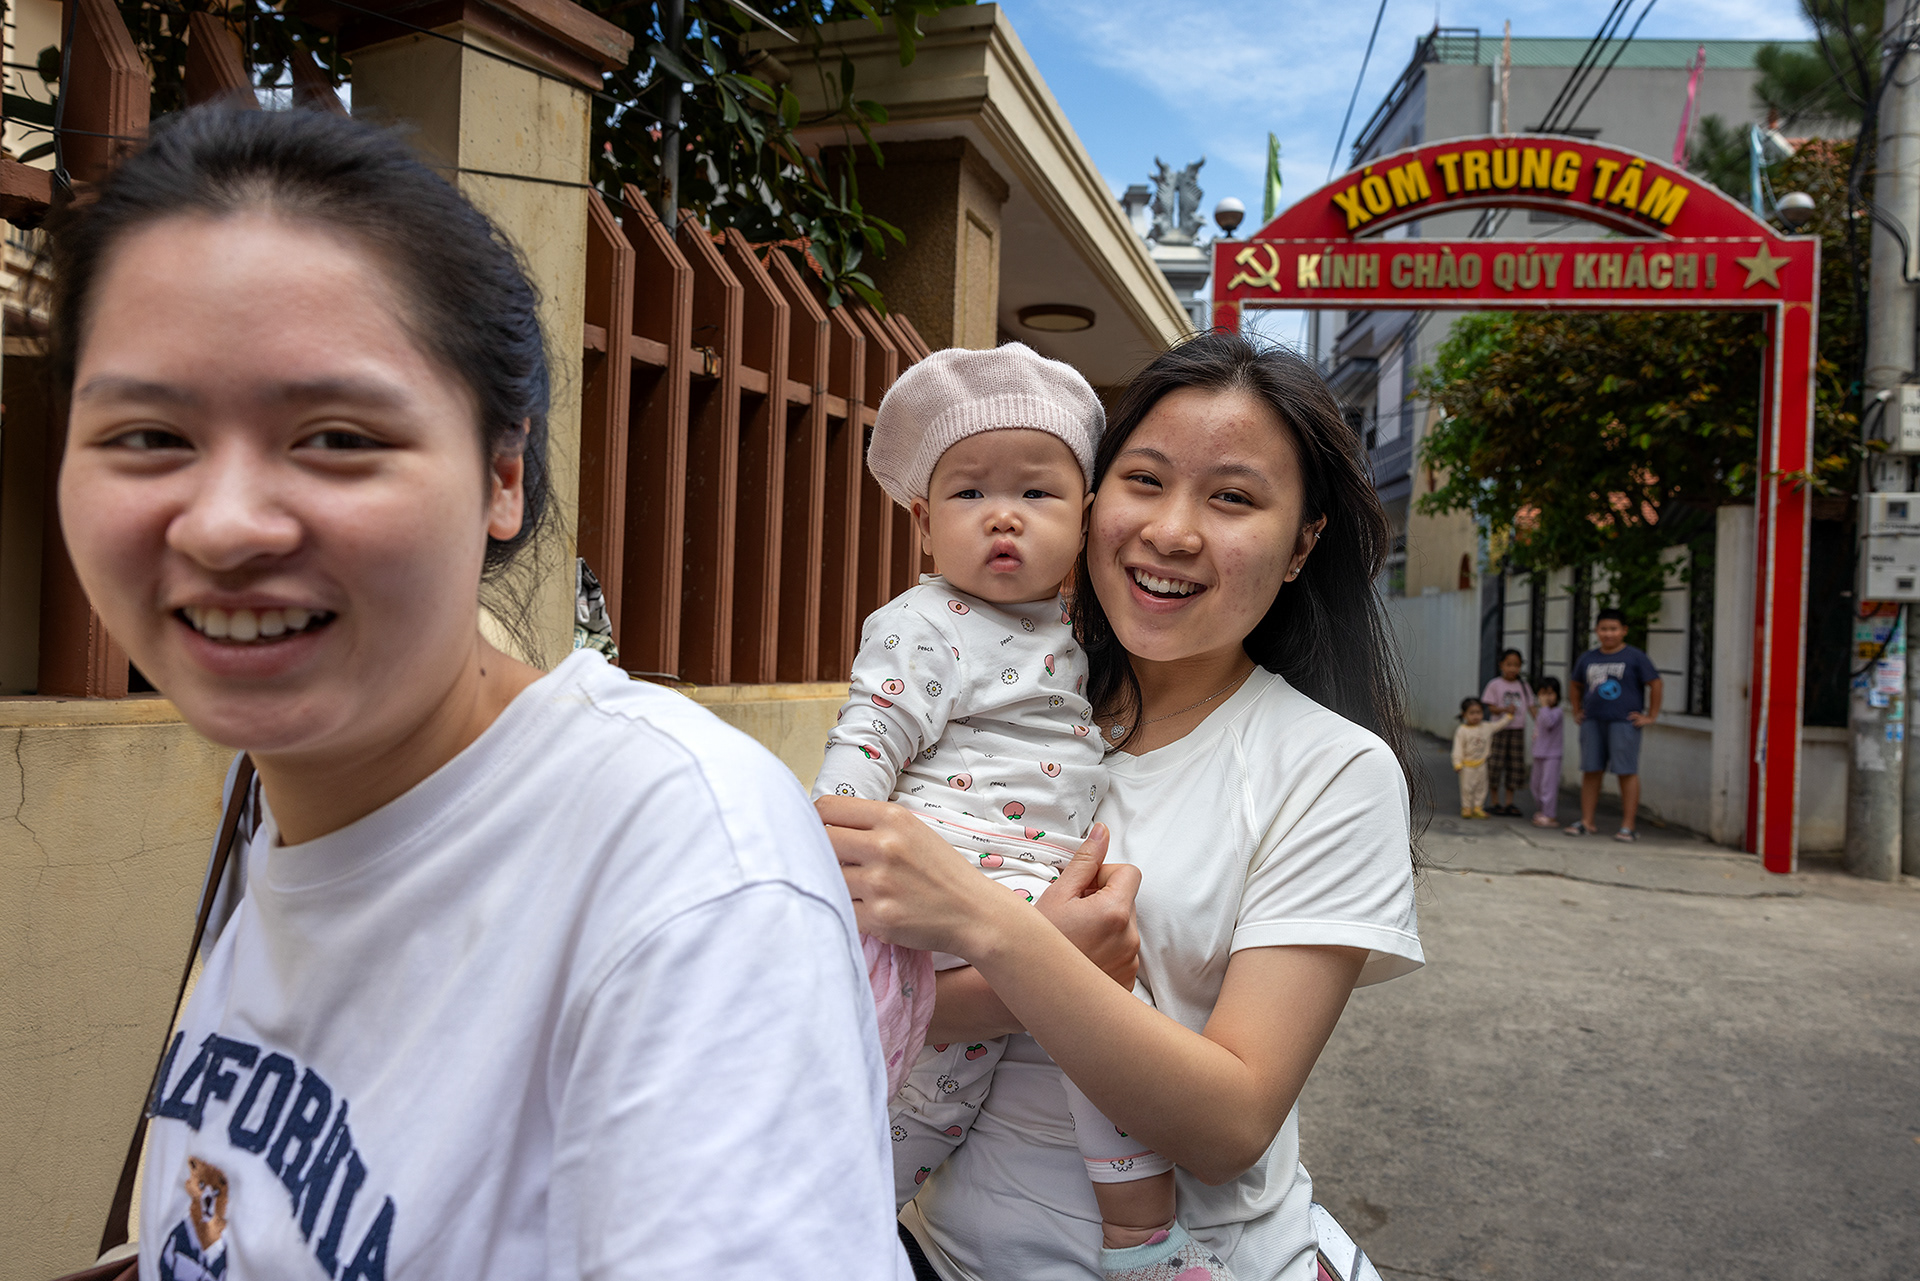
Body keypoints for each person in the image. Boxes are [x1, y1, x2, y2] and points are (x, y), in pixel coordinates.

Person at [52, 106, 903, 1280]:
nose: (225, 526)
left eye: (336, 437)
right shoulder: (289, 806)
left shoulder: (681, 865)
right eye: (148, 436)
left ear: (502, 474)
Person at [820, 333, 1425, 1281]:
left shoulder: (1331, 769)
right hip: (931, 1252)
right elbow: (844, 987)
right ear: (1097, 500)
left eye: (1232, 498)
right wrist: (1014, 966)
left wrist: (1000, 932)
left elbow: (1229, 1124)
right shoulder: (986, 695)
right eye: (1145, 480)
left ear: (1302, 543)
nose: (1173, 531)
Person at [812, 344, 1230, 1279]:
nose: (1003, 514)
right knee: (1092, 1020)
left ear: (1085, 520)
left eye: (1037, 493)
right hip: (951, 877)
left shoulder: (1081, 633)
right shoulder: (922, 623)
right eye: (969, 493)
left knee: (942, 1102)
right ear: (924, 521)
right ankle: (1141, 1238)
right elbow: (867, 739)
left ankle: (845, 1233)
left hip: (1021, 888)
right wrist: (828, 850)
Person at [1564, 609, 1663, 842]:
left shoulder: (1635, 657)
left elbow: (1655, 683)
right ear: (1597, 631)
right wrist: (1577, 710)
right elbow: (1575, 684)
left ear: (1624, 631)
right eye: (1604, 629)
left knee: (1626, 771)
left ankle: (1628, 826)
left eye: (1614, 629)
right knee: (1591, 770)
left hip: (1624, 722)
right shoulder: (1588, 658)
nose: (1609, 634)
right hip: (1593, 721)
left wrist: (1651, 715)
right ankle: (1587, 821)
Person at [1480, 648, 1533, 815]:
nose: (1512, 669)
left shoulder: (1523, 686)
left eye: (1516, 665)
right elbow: (1490, 707)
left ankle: (1510, 802)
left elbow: (1532, 707)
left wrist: (1541, 722)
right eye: (1509, 664)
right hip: (1499, 729)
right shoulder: (1495, 684)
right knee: (1495, 765)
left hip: (1517, 730)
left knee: (1515, 765)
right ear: (1501, 665)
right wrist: (1504, 710)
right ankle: (1495, 801)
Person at [1451, 696, 1512, 819]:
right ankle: (1466, 807)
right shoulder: (1462, 730)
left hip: (1482, 764)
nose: (1476, 716)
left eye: (1478, 712)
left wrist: (1509, 716)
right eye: (1472, 713)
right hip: (1467, 765)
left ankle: (1478, 807)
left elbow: (1499, 725)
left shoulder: (1486, 727)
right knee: (1467, 788)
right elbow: (1458, 748)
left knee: (1481, 787)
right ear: (1464, 714)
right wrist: (1457, 763)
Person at [1528, 677, 1566, 827]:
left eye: (1550, 693)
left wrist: (1543, 707)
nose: (1546, 697)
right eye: (1543, 693)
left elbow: (1549, 723)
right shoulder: (1542, 712)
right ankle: (1542, 810)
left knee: (1548, 786)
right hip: (1539, 753)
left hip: (1552, 755)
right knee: (1535, 785)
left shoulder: (1557, 712)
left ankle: (1550, 815)